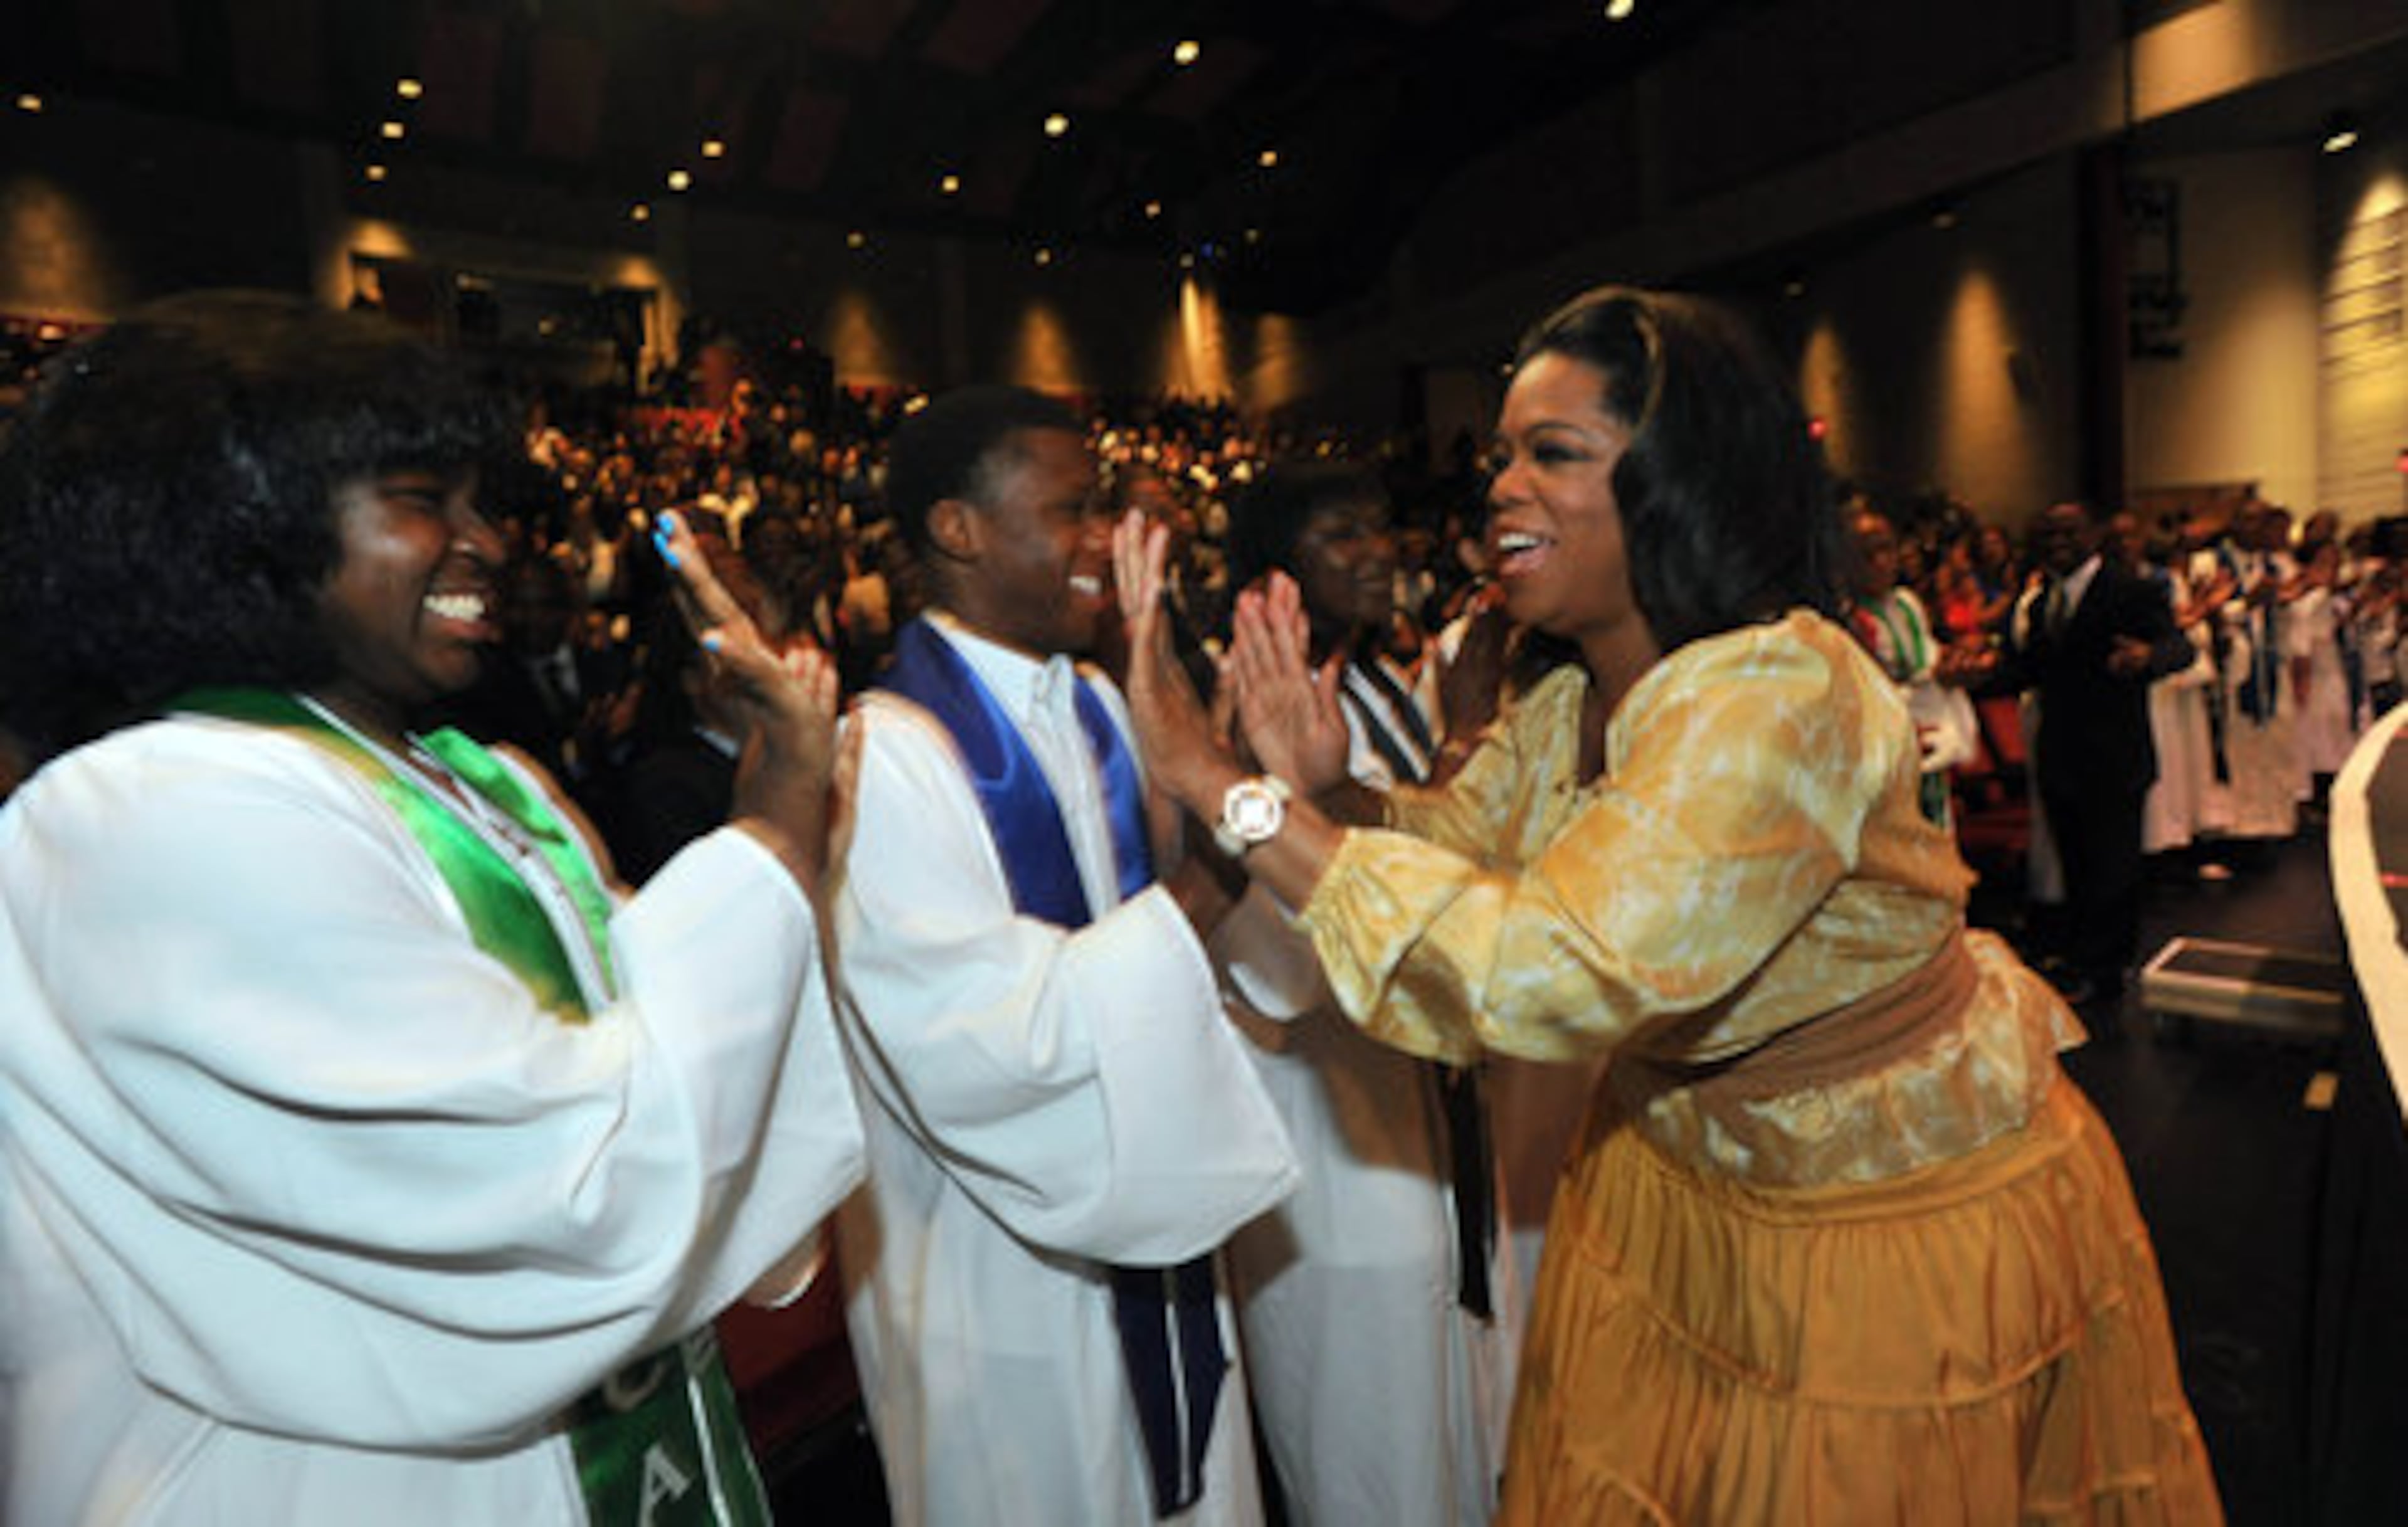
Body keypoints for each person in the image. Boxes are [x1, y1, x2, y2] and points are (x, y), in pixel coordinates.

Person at [1112, 286, 2221, 1523]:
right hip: (1686, 1183)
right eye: (1500, 456)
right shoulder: (1566, 700)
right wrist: (1327, 792)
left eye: (1554, 452)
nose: (1500, 489)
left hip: (1872, 1227)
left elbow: (1547, 963)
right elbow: (1466, 845)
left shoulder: (1779, 689)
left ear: (1678, 478)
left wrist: (1222, 790)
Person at [0, 292, 866, 1524]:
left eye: (480, 501)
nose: (488, 543)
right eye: (421, 497)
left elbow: (670, 1094)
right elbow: (564, 1180)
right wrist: (775, 824)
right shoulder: (148, 809)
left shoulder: (483, 782)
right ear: (244, 524)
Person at [822, 385, 1297, 1526]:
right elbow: (993, 1044)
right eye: (1074, 511)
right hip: (1001, 1283)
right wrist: (1218, 869)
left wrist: (1232, 771)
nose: (1104, 540)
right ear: (959, 529)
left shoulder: (1093, 699)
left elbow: (1223, 977)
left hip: (1157, 1218)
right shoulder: (889, 752)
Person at [1211, 463, 1511, 1527]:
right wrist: (1461, 738)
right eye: (1342, 533)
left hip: (1414, 1091)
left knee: (1451, 1426)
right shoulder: (1237, 693)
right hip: (1319, 1112)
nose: (1380, 551)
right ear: (1273, 572)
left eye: (1382, 526)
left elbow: (1430, 845)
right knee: (1366, 1439)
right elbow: (1291, 941)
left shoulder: (1374, 681)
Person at [2000, 500, 2196, 1010]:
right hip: (2061, 757)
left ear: (2092, 534)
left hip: (2115, 757)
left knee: (2113, 868)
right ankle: (2083, 957)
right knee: (2077, 865)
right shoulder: (2044, 603)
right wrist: (1974, 675)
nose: (2057, 542)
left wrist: (2148, 657)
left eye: (2068, 532)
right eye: (2047, 534)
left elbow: (2182, 647)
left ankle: (2107, 968)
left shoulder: (2131, 590)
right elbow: (2029, 671)